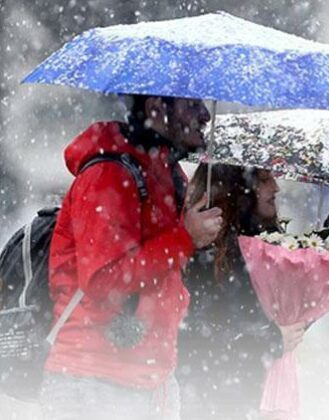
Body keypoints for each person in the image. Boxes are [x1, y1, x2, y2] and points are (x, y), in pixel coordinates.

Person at [41, 95, 223, 420]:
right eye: (192, 105)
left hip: (152, 381)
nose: (205, 115)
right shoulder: (109, 174)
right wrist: (185, 238)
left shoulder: (166, 174)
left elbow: (165, 267)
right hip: (95, 384)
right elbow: (104, 279)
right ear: (155, 107)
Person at [177, 163, 306, 419]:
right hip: (210, 398)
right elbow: (201, 335)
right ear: (237, 186)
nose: (276, 187)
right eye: (264, 178)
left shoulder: (265, 243)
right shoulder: (204, 250)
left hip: (251, 394)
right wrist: (270, 338)